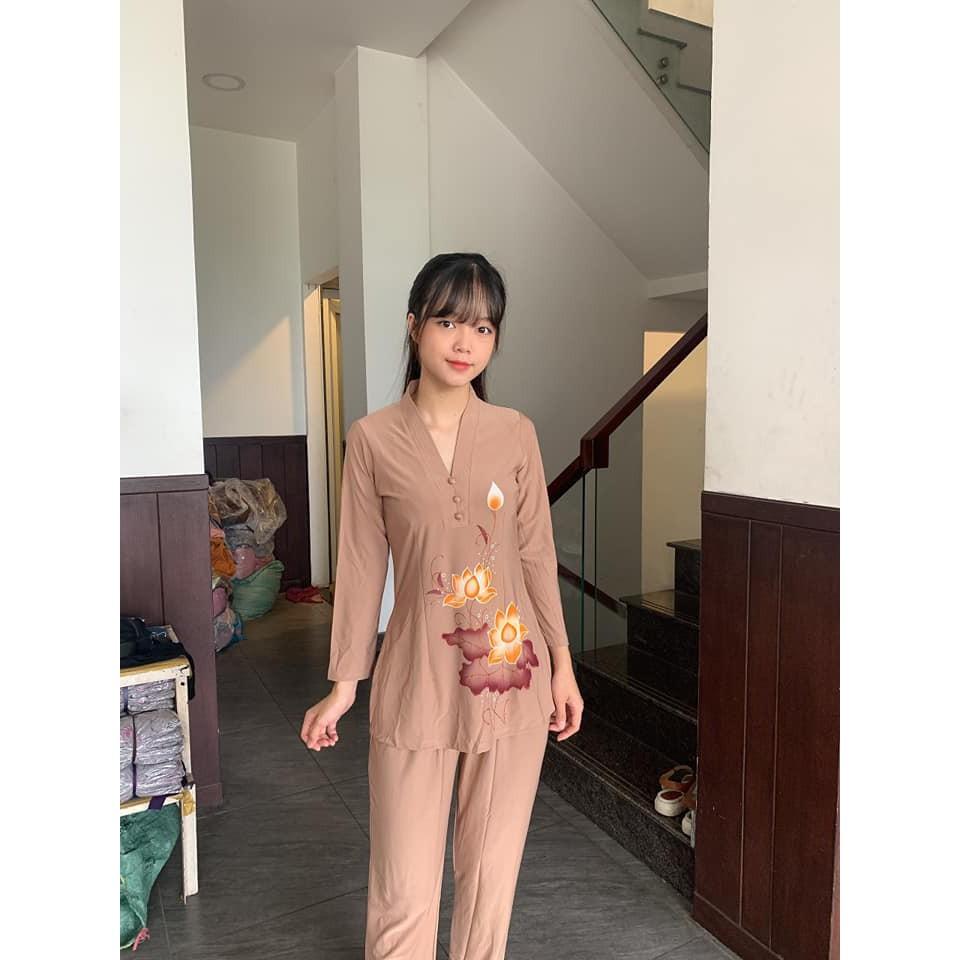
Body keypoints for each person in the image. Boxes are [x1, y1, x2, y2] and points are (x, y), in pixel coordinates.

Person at [301, 252, 584, 959]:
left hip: (512, 675)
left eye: (483, 328)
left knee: (490, 879)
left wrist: (563, 665)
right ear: (414, 325)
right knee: (403, 886)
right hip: (417, 678)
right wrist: (344, 684)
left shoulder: (515, 432)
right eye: (450, 321)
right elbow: (360, 567)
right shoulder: (373, 440)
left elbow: (535, 554)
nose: (466, 343)